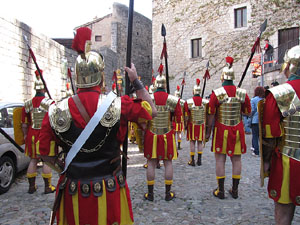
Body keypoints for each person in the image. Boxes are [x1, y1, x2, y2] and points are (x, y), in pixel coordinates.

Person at [37, 27, 157, 225]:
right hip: (109, 190)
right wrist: (135, 80)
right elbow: (152, 111)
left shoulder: (56, 110)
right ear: (101, 77)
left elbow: (45, 154)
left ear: (77, 77)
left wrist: (67, 168)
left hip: (73, 191)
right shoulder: (120, 104)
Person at [261, 45, 300, 225]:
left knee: (284, 213)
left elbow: (271, 133)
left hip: (288, 160)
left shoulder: (280, 94)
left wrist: (266, 162)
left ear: (289, 66)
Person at [206, 56, 251, 199]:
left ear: (222, 77)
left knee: (220, 160)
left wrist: (208, 132)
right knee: (236, 160)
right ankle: (235, 190)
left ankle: (221, 191)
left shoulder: (217, 93)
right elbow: (247, 112)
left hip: (221, 129)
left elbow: (211, 114)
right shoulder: (242, 93)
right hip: (237, 129)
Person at [143, 72, 182, 201]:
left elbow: (143, 118)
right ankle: (167, 193)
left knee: (151, 163)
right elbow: (178, 118)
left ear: (155, 84)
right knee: (168, 162)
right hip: (167, 134)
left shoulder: (149, 98)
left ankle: (150, 194)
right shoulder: (172, 100)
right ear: (165, 85)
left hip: (151, 133)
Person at [21, 70, 56, 194]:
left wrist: (25, 135)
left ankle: (32, 187)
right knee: (47, 160)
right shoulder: (50, 103)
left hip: (32, 135)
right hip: (46, 134)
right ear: (44, 89)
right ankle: (47, 187)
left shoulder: (28, 104)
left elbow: (25, 124)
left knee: (33, 160)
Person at [184, 79, 207, 166]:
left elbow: (186, 116)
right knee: (200, 142)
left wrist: (186, 124)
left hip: (192, 124)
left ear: (193, 91)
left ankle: (192, 160)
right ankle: (199, 160)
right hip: (201, 124)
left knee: (192, 142)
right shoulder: (204, 102)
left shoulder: (188, 102)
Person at [250, 86, 265, 156]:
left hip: (255, 120)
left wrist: (250, 116)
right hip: (264, 120)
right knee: (262, 136)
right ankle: (264, 151)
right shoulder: (265, 99)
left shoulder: (253, 100)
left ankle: (256, 151)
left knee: (255, 136)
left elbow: (252, 110)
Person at [173, 85, 185, 150]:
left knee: (174, 133)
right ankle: (179, 145)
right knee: (179, 133)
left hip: (175, 118)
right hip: (180, 118)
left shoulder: (173, 102)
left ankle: (174, 145)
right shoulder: (182, 102)